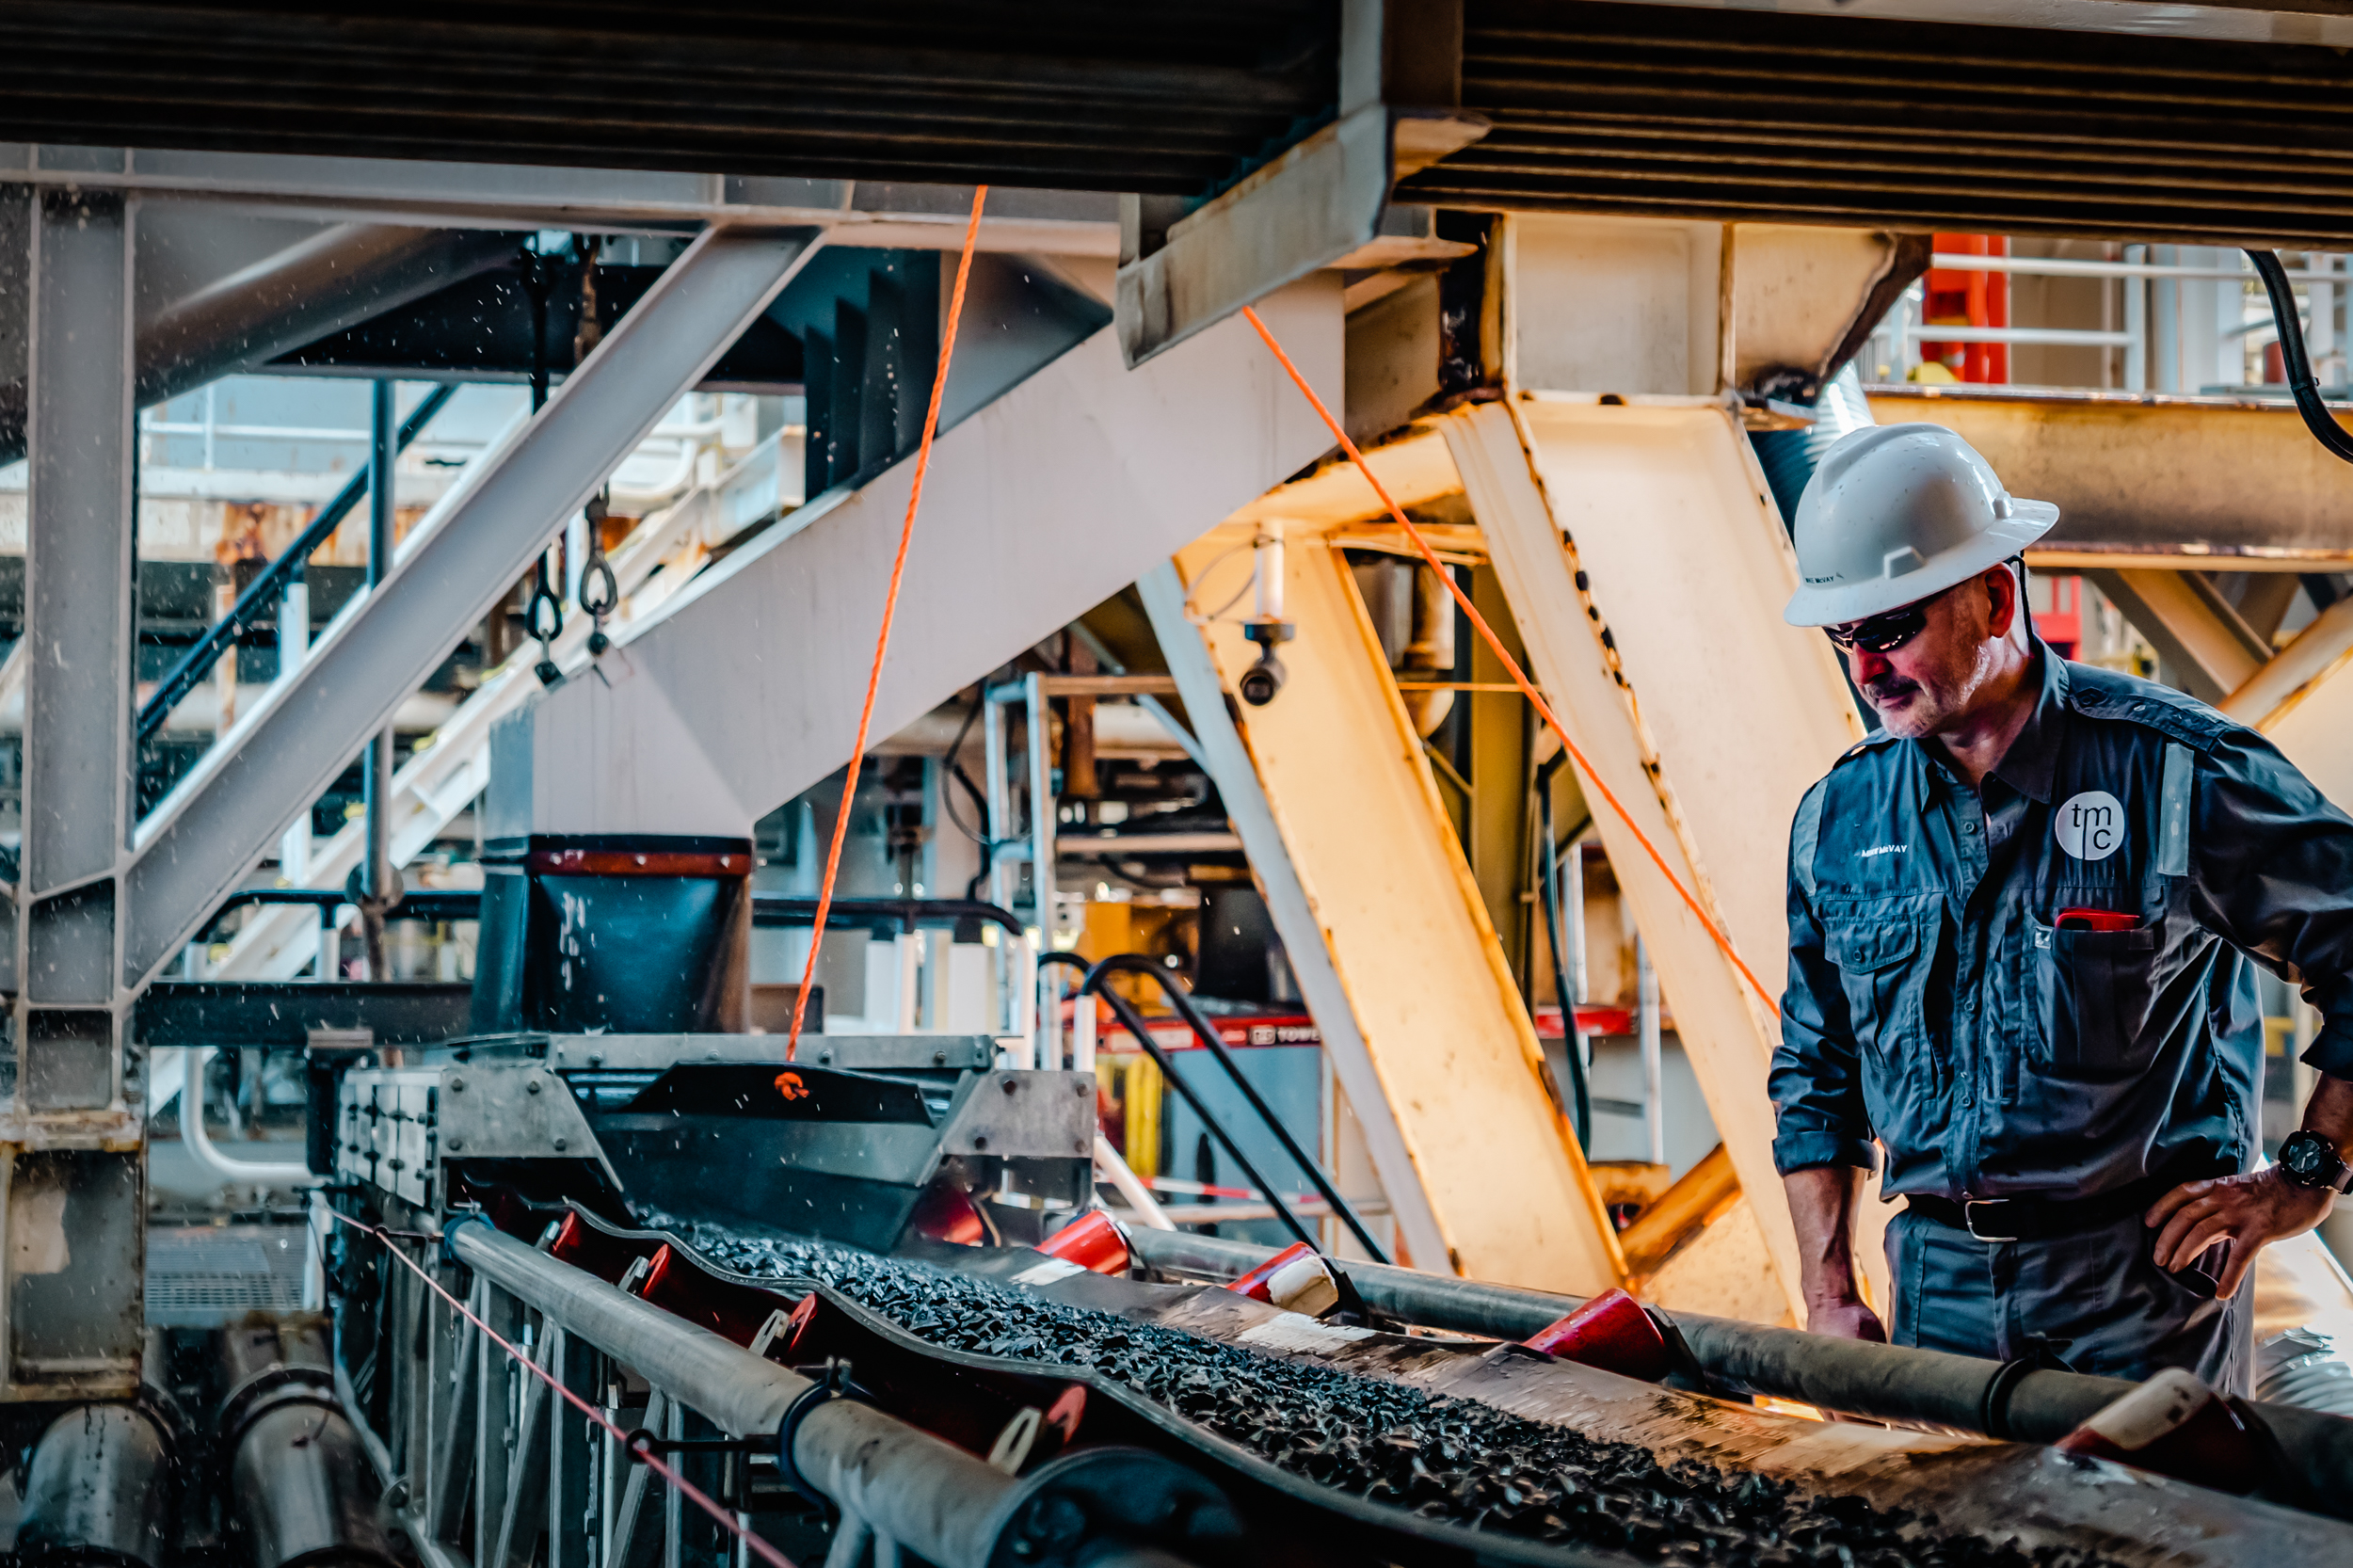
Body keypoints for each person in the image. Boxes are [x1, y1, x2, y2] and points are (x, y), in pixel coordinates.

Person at [1771, 422, 2353, 1391]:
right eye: (1844, 638)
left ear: (1995, 595)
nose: (1865, 670)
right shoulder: (1840, 815)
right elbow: (1815, 1065)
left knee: (2145, 1539)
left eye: (1890, 631)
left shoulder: (2176, 773)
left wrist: (2301, 1179)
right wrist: (1826, 1282)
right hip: (1934, 1287)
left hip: (2140, 1291)